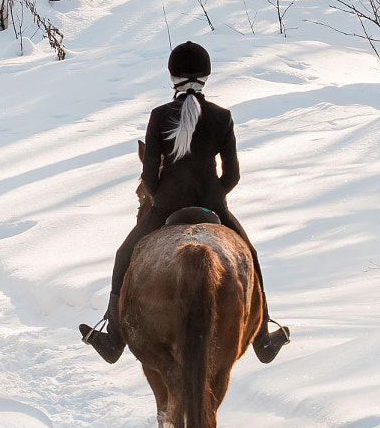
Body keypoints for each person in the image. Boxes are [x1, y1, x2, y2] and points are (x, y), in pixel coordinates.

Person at [79, 41, 289, 365]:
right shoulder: (222, 116)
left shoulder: (159, 116)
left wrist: (162, 196)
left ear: (172, 76)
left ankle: (114, 339)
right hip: (215, 209)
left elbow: (148, 177)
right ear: (206, 75)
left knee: (123, 256)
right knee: (252, 257)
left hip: (165, 209)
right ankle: (262, 338)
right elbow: (232, 175)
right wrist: (215, 196)